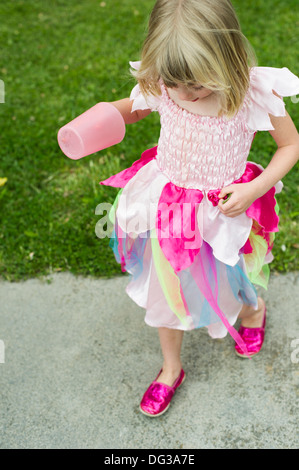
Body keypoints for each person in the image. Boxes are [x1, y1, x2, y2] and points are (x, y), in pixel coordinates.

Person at [98, 0, 299, 417]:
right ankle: (171, 368)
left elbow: (290, 146)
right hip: (171, 209)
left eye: (197, 84)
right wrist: (96, 120)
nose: (184, 94)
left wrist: (256, 188)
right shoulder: (163, 84)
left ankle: (252, 311)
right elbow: (132, 111)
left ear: (226, 58)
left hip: (223, 211)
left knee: (234, 273)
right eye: (175, 84)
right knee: (166, 287)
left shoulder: (252, 92)